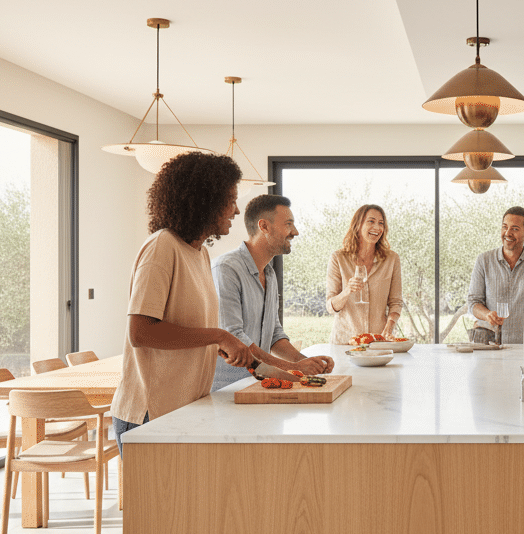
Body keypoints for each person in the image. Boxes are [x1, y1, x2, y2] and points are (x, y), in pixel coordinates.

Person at [112, 152, 256, 451]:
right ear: (206, 200)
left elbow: (188, 329)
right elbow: (141, 333)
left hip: (185, 407)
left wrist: (221, 345)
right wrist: (219, 336)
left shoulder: (199, 253)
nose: (236, 209)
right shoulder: (162, 247)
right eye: (230, 199)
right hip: (151, 413)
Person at [210, 194, 335, 392]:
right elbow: (233, 336)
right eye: (288, 224)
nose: (295, 232)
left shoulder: (269, 273)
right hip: (226, 390)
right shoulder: (226, 268)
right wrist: (292, 367)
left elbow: (274, 334)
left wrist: (305, 363)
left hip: (258, 385)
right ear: (264, 226)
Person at [467, 206, 524, 345]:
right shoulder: (483, 260)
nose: (507, 233)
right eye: (504, 227)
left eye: (515, 229)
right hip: (489, 346)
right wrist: (486, 314)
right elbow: (473, 302)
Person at [326, 204, 403, 344]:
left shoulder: (392, 259)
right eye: (371, 221)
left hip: (378, 341)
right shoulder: (338, 258)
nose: (377, 227)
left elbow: (396, 302)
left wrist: (389, 327)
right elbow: (331, 307)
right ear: (358, 225)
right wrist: (348, 290)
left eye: (381, 223)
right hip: (345, 343)